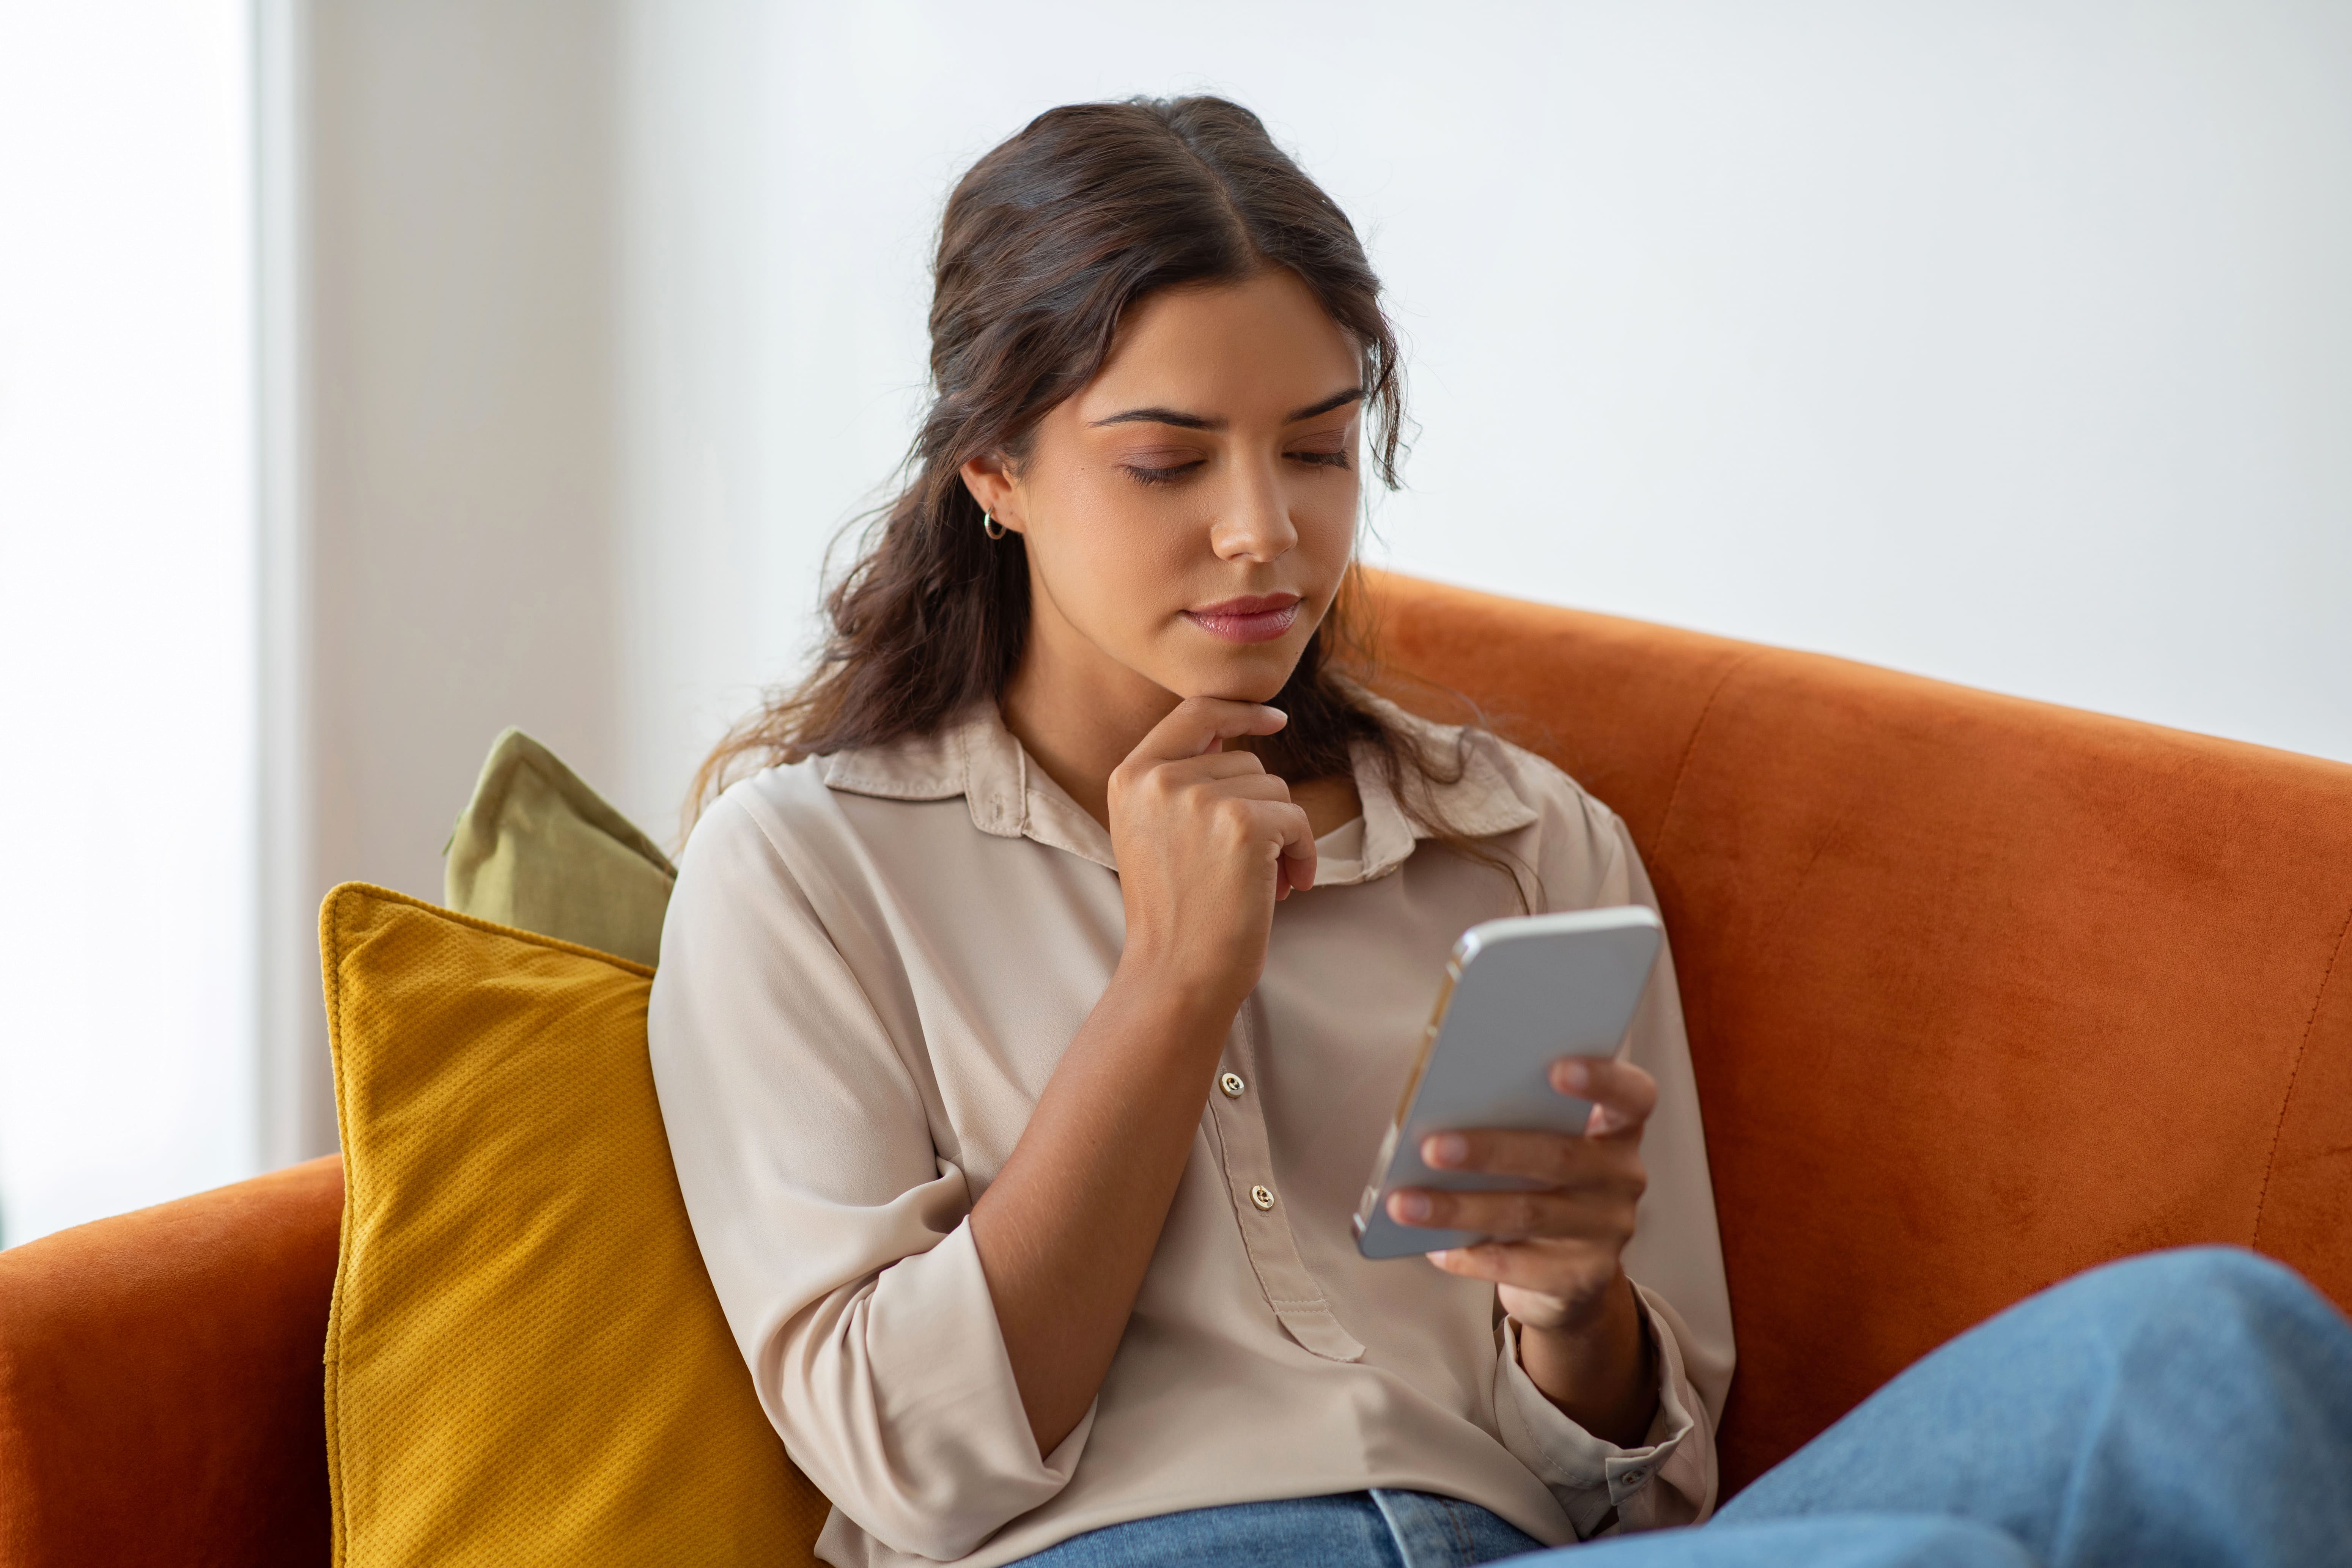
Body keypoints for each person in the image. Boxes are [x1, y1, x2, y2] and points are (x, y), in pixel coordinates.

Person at [647, 97, 2352, 1568]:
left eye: (1315, 450)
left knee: (2216, 1341)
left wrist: (1569, 1308)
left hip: (1507, 1538)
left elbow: (1655, 1476)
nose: (1264, 532)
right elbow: (906, 1461)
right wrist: (1171, 980)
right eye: (1167, 463)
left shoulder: (1519, 837)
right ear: (993, 472)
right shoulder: (803, 866)